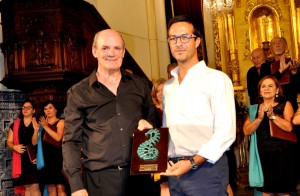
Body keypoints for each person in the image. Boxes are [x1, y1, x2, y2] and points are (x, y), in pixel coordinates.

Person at [62, 29, 159, 196]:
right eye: (105, 48)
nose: (112, 53)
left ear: (123, 52)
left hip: (140, 178)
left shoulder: (140, 85)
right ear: (94, 51)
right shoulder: (78, 92)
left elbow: (154, 124)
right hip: (100, 181)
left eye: (117, 48)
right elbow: (71, 141)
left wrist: (150, 127)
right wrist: (76, 185)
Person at [160, 15, 236, 195]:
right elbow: (167, 130)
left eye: (185, 37)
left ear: (198, 41)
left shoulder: (217, 79)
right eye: (173, 38)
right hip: (175, 169)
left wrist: (192, 162)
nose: (179, 43)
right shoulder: (168, 87)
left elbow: (226, 133)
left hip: (206, 169)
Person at [243, 75, 297, 195]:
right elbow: (246, 131)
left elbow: (289, 127)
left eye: (270, 86)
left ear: (277, 90)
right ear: (260, 91)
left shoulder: (285, 104)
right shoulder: (254, 109)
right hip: (263, 156)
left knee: (283, 192)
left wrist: (272, 116)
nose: (267, 89)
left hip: (283, 155)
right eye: (264, 86)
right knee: (266, 192)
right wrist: (259, 118)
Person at [6, 100, 41, 196]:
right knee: (27, 187)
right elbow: (8, 141)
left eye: (28, 107)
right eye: (23, 107)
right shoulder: (16, 124)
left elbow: (35, 142)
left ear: (33, 110)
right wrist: (14, 146)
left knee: (35, 186)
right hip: (21, 158)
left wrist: (35, 130)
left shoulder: (39, 123)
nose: (25, 109)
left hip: (35, 158)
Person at [260, 37, 300, 112]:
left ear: (286, 46)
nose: (277, 45)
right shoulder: (265, 67)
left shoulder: (294, 65)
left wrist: (294, 73)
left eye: (280, 43)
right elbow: (263, 86)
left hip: (291, 106)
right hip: (271, 107)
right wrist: (280, 71)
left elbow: (298, 89)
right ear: (271, 48)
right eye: (274, 44)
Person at [38, 100, 68, 196]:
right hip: (46, 158)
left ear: (55, 110)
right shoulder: (41, 125)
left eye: (50, 108)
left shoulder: (61, 122)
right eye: (45, 109)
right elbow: (38, 142)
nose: (48, 110)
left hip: (58, 158)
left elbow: (58, 137)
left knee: (60, 187)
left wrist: (46, 126)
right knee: (51, 189)